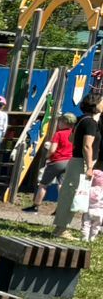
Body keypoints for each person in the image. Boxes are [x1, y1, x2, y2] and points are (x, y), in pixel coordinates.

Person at [57, 98, 101, 237]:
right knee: (73, 195)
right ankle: (61, 229)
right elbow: (87, 146)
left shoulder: (81, 119)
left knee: (70, 194)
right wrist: (89, 167)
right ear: (94, 104)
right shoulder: (90, 122)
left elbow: (71, 139)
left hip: (75, 160)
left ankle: (61, 227)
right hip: (81, 162)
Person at [30, 112, 75, 213]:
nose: (58, 123)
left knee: (43, 184)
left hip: (56, 161)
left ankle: (35, 206)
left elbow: (53, 149)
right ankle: (60, 208)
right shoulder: (74, 134)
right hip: (69, 162)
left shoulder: (59, 134)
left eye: (60, 121)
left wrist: (47, 156)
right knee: (61, 185)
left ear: (64, 122)